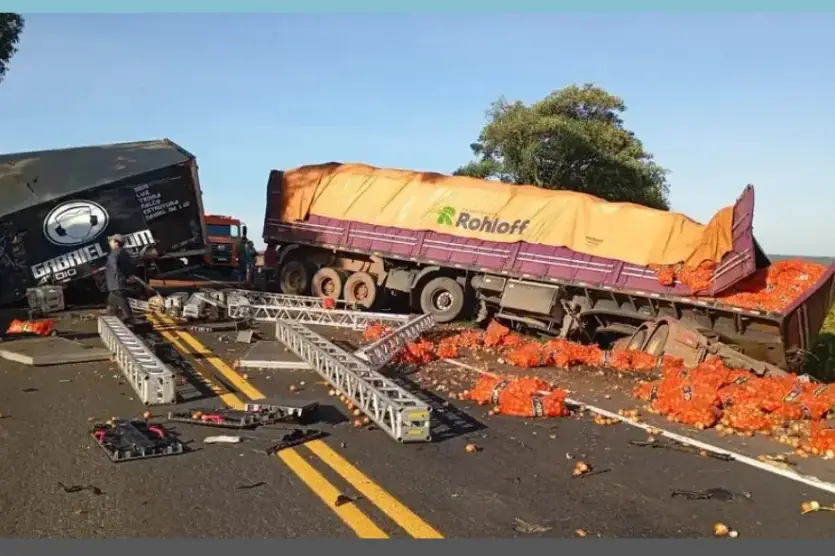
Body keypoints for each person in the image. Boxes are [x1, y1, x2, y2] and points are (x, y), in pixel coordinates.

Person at [104, 234, 136, 324]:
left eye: (111, 241)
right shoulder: (124, 252)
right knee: (112, 303)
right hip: (117, 283)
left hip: (116, 283)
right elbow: (129, 267)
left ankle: (130, 319)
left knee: (122, 301)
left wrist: (119, 277)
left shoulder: (114, 253)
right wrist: (127, 276)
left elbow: (114, 267)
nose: (109, 243)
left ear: (116, 243)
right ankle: (109, 319)